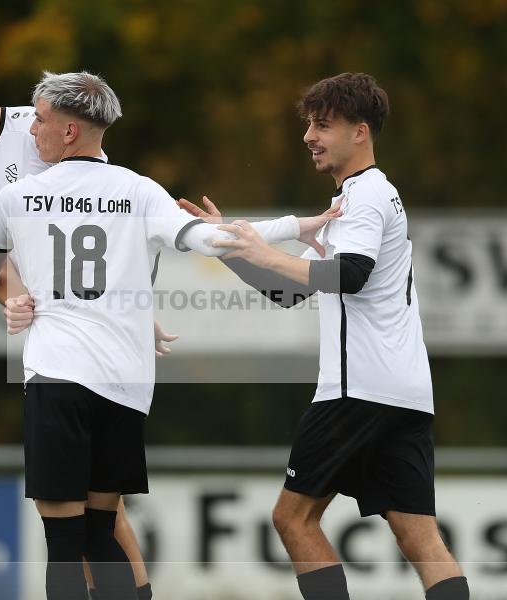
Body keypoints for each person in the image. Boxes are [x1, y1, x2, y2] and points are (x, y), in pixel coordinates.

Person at [0, 70, 338, 600]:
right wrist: (298, 226)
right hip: (124, 386)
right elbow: (212, 241)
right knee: (101, 530)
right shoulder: (139, 191)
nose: (32, 133)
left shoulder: (16, 197)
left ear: (70, 131)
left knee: (64, 541)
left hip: (57, 379)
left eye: (41, 122)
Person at [178, 73, 469, 600]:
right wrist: (232, 251)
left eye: (323, 125)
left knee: (293, 519)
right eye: (309, 124)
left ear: (361, 132)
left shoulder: (364, 195)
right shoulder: (357, 203)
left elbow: (351, 275)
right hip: (404, 392)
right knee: (418, 534)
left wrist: (267, 252)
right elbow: (289, 291)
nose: (310, 135)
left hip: (356, 390)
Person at [0, 38, 171, 598]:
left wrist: (132, 309)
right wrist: (17, 301)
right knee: (87, 521)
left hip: (98, 348)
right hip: (53, 350)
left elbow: (115, 212)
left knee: (99, 519)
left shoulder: (42, 122)